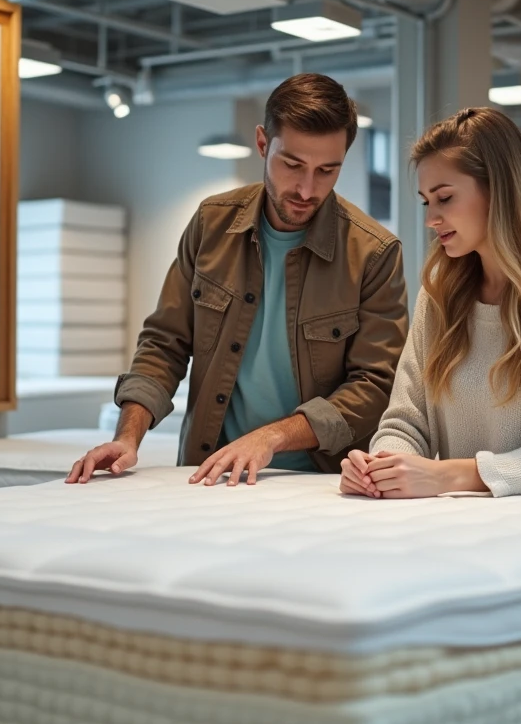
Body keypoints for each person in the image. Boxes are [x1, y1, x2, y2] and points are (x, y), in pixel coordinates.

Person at [68, 73, 408, 487]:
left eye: (327, 170)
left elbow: (375, 386)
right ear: (263, 143)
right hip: (211, 473)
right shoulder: (211, 223)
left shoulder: (374, 253)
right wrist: (127, 436)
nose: (306, 189)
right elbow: (164, 344)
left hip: (321, 484)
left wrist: (272, 437)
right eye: (292, 165)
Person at [340, 106, 521, 499]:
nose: (431, 218)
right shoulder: (439, 296)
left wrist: (443, 476)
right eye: (426, 202)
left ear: (500, 190)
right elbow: (405, 423)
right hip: (474, 521)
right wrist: (381, 467)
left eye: (444, 198)